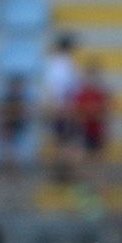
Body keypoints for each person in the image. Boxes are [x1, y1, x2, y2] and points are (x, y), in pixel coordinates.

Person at [39, 32, 80, 182]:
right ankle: (62, 173)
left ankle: (63, 172)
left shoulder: (60, 64)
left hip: (62, 107)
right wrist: (61, 107)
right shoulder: (61, 65)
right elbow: (59, 89)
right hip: (62, 108)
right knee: (65, 141)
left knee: (64, 141)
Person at [0, 73, 30, 170]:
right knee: (7, 152)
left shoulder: (24, 99)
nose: (17, 88)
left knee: (15, 153)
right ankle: (6, 171)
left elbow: (28, 112)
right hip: (6, 130)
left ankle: (15, 172)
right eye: (15, 85)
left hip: (19, 129)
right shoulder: (5, 98)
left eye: (19, 86)